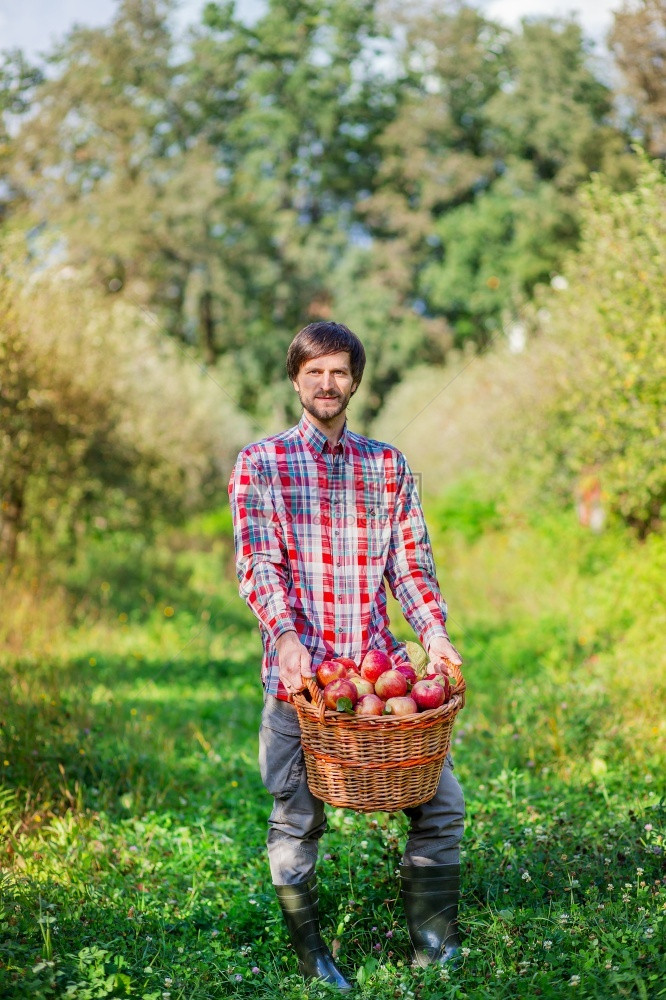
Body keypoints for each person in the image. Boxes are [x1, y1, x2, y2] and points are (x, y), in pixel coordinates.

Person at [228, 321, 465, 990]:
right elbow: (258, 564)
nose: (327, 385)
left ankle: (432, 945)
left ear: (355, 380)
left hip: (378, 682)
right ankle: (313, 954)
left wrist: (434, 634)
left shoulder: (387, 466)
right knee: (297, 820)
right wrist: (285, 635)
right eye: (315, 372)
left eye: (339, 372)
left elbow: (410, 569)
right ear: (295, 379)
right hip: (301, 685)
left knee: (441, 806)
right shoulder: (262, 463)